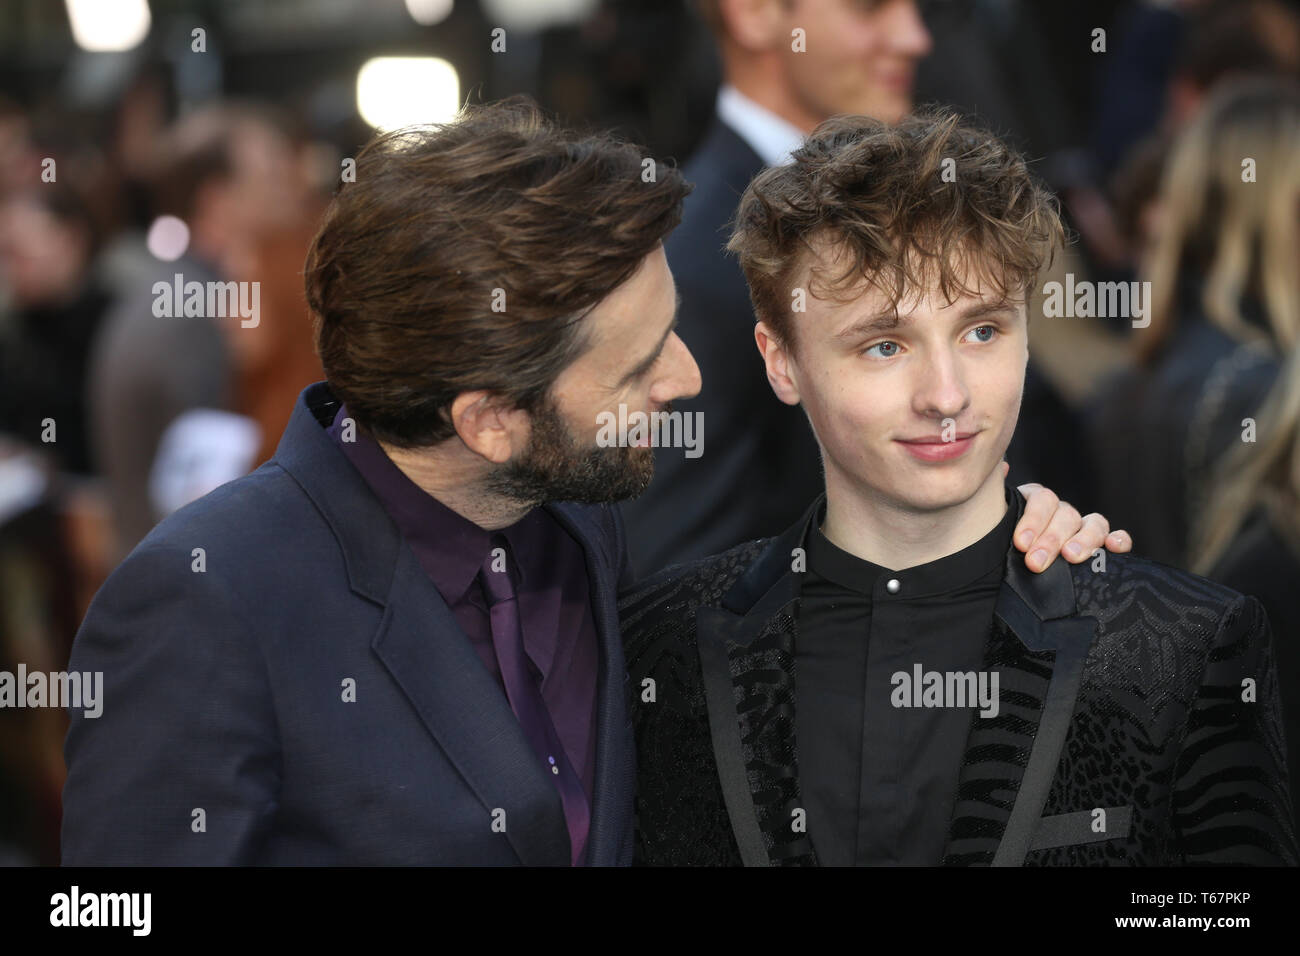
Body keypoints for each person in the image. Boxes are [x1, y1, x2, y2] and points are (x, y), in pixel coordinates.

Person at [61, 97, 1125, 866]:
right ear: (489, 419)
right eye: (637, 363)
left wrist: (989, 536)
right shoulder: (207, 602)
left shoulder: (577, 520)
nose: (686, 376)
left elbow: (765, 611)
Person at [624, 107, 1297, 865]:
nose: (946, 396)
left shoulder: (1180, 644)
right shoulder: (656, 646)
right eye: (885, 345)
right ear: (782, 362)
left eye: (983, 331)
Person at [621, 0, 1087, 576]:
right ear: (754, 14)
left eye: (982, 330)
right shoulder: (690, 269)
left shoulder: (946, 206)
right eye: (870, 9)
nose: (914, 38)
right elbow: (678, 577)